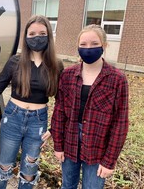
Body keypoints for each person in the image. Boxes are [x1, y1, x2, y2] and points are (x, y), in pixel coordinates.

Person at [0, 15, 63, 189]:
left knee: (29, 173)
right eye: (32, 33)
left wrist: (54, 128)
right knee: (4, 168)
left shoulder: (56, 65)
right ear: (25, 37)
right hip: (13, 119)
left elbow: (62, 102)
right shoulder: (15, 61)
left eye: (41, 33)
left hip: (38, 123)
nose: (37, 37)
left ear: (49, 36)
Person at [50, 24, 129, 189]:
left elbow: (120, 123)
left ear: (104, 45)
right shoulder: (68, 75)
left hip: (98, 147)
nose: (88, 48)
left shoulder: (117, 79)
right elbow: (59, 112)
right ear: (78, 47)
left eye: (94, 43)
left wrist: (109, 161)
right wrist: (58, 144)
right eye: (83, 44)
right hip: (70, 141)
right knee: (67, 185)